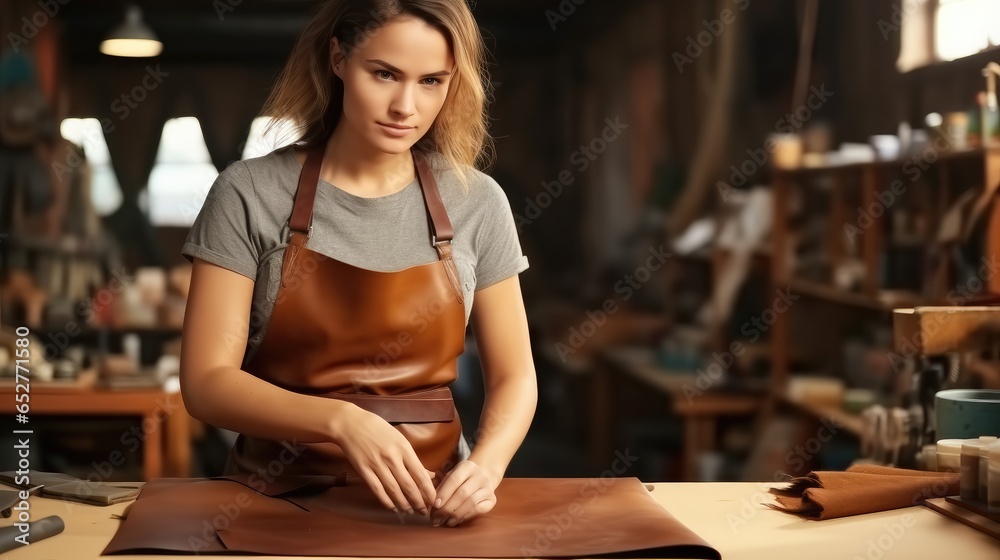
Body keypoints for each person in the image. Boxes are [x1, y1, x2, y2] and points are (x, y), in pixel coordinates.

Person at [179, 0, 536, 529]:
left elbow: (515, 376)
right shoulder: (249, 192)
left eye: (432, 81)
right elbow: (206, 381)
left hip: (433, 508)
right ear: (339, 58)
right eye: (384, 74)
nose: (405, 106)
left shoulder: (477, 200)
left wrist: (486, 466)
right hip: (273, 501)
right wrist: (340, 420)